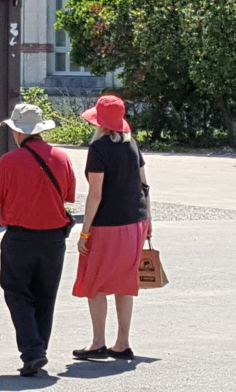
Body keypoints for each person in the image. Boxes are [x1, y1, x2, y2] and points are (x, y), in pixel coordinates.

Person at [0, 103, 76, 377]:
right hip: (53, 240)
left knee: (17, 293)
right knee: (45, 296)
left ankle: (33, 351)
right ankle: (39, 350)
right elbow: (69, 195)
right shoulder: (62, 158)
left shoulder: (9, 161)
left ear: (17, 131)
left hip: (20, 237)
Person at [72, 95, 151, 362]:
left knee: (94, 283)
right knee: (124, 283)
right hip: (136, 221)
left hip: (108, 225)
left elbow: (95, 194)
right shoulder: (132, 145)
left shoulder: (99, 149)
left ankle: (97, 342)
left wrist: (84, 232)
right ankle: (122, 343)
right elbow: (144, 185)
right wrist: (149, 222)